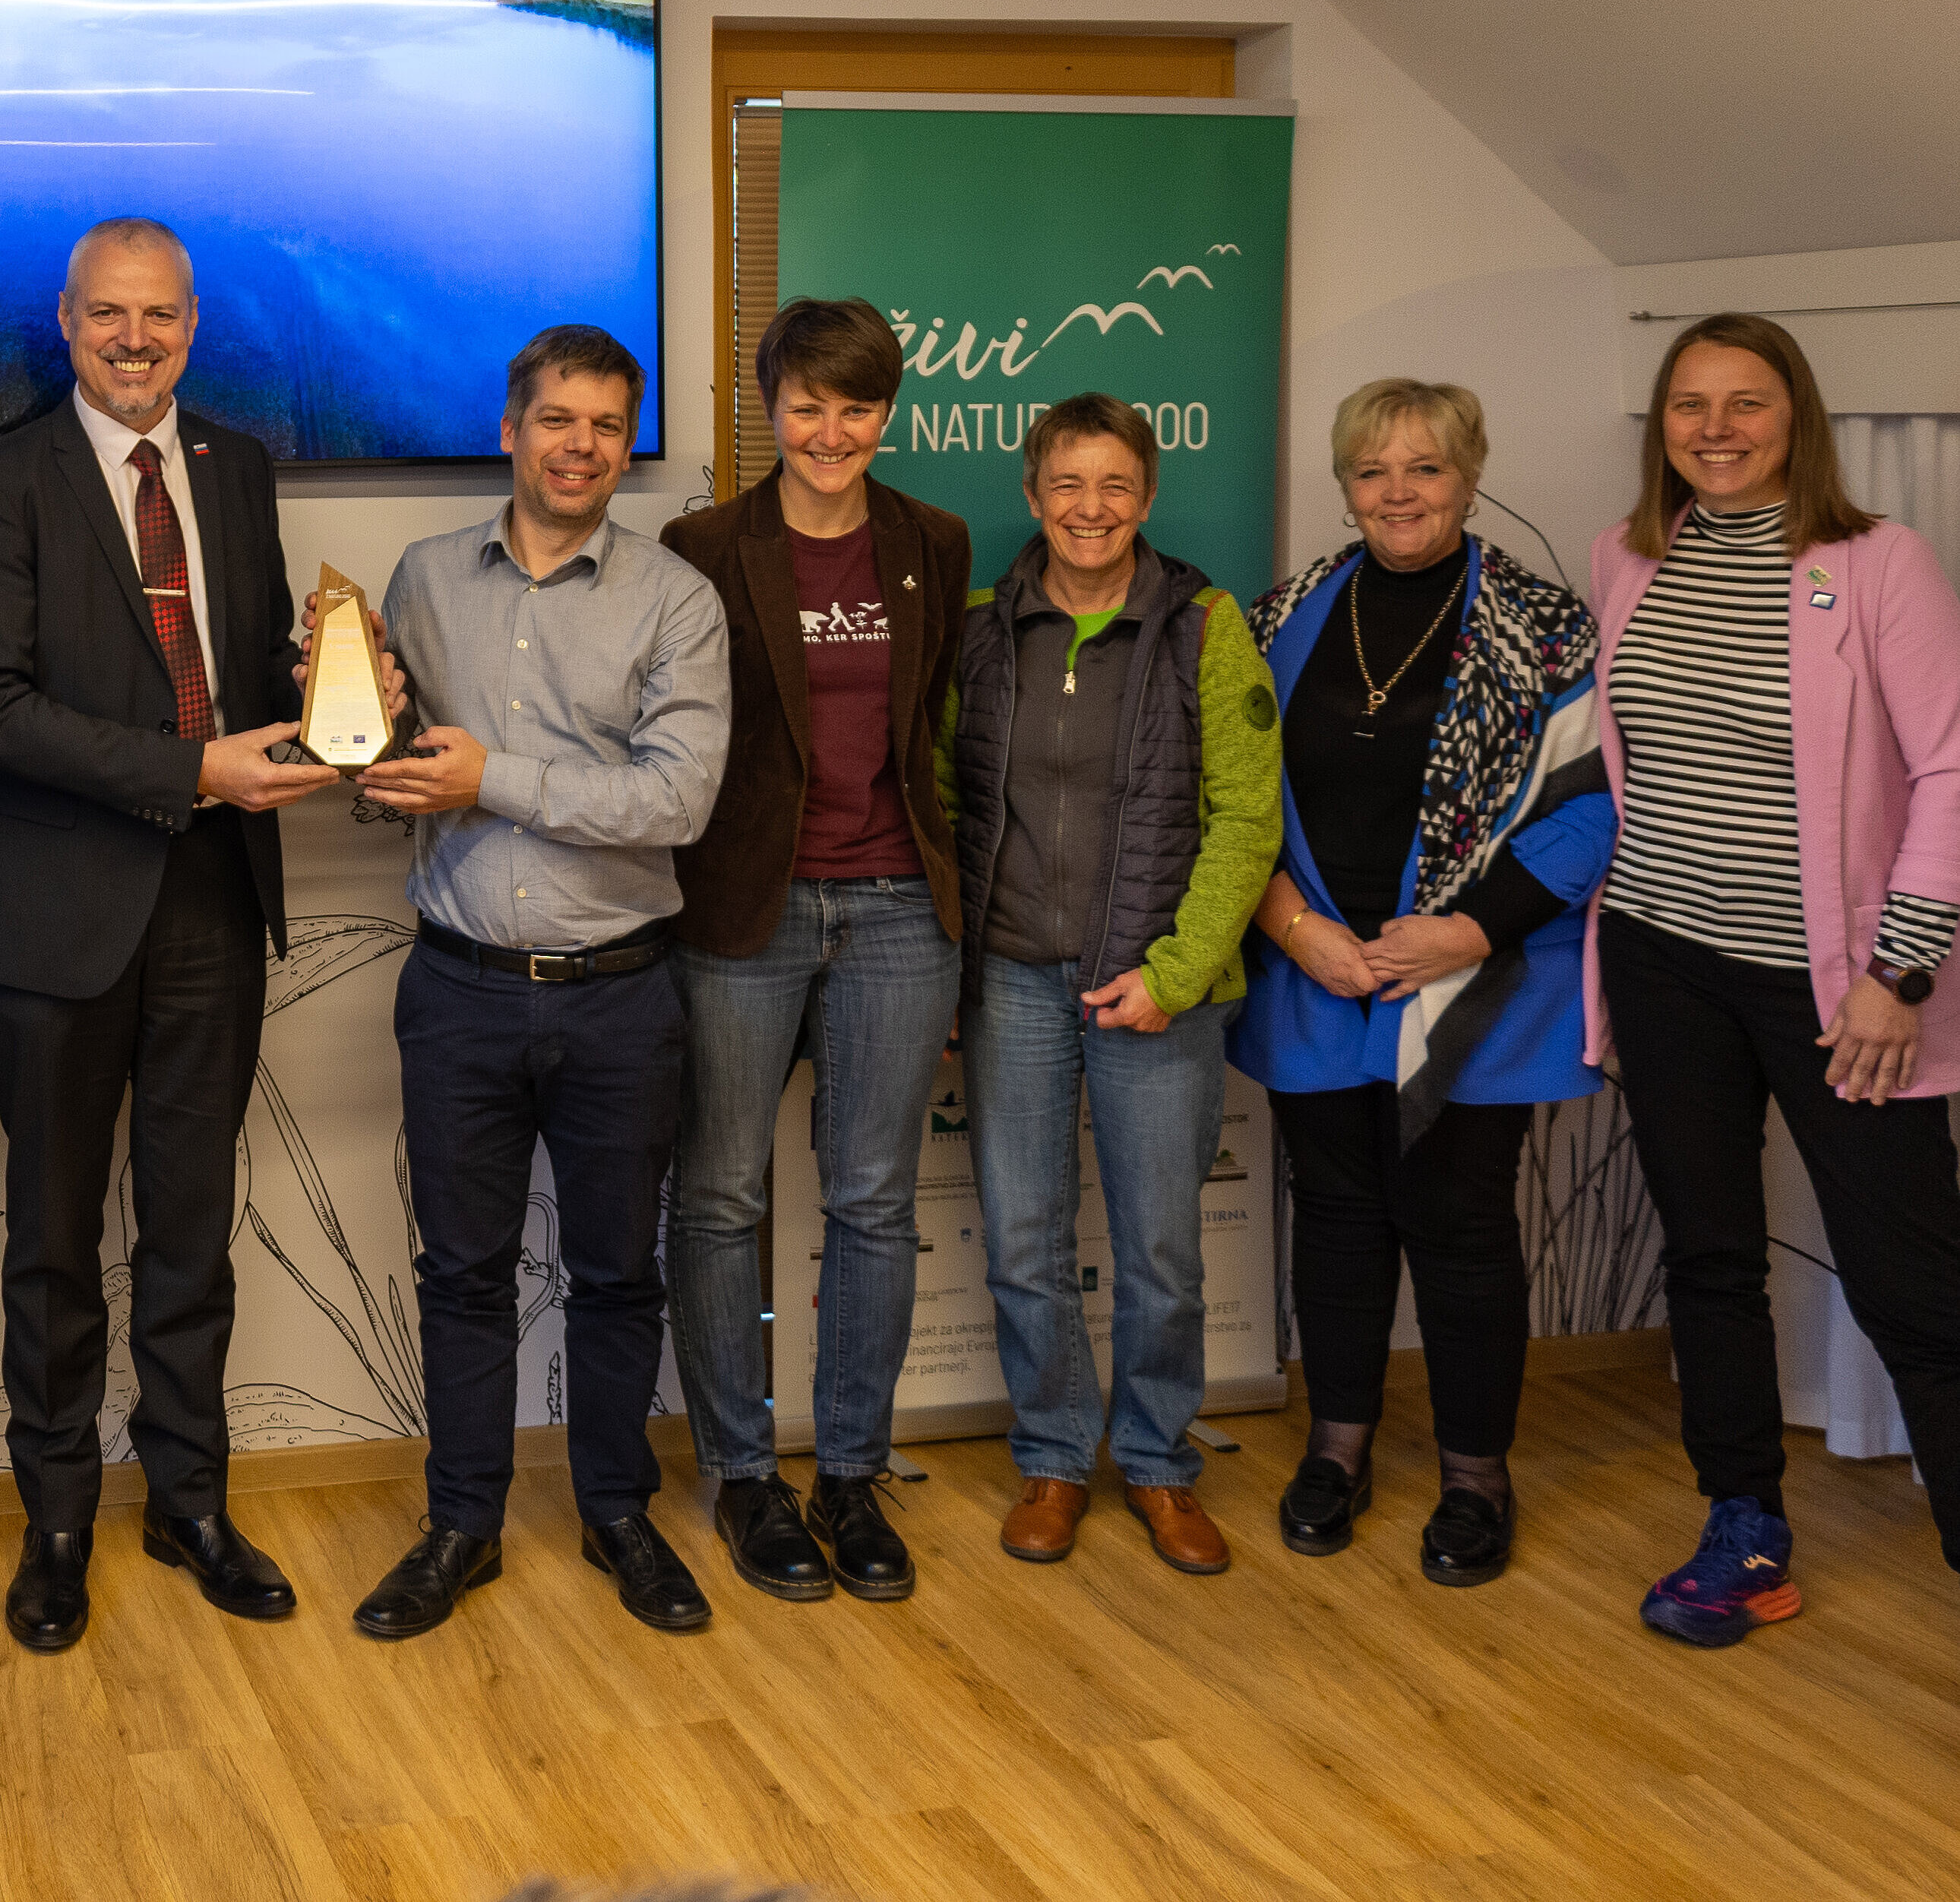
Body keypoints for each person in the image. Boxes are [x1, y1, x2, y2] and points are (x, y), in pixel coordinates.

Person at [0, 217, 337, 1651]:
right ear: (64, 319)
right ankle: (55, 1521)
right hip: (58, 916)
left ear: (193, 322)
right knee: (50, 1238)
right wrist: (194, 770)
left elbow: (252, 649)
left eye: (159, 315)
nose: (135, 339)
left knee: (189, 1227)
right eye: (109, 314)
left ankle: (188, 1497)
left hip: (216, 902)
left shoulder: (236, 467)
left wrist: (326, 678)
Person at [352, 327, 731, 1640]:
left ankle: (619, 1511)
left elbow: (676, 801)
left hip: (620, 992)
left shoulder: (676, 600)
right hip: (457, 987)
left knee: (617, 1272)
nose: (580, 447)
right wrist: (356, 736)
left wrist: (488, 777)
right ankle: (464, 1523)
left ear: (628, 445)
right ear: (510, 427)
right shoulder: (421, 578)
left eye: (606, 428)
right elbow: (384, 781)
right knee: (462, 1269)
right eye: (557, 420)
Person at [1588, 312, 1960, 1642]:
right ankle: (1744, 1526)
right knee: (1711, 1258)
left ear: (1796, 415)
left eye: (1746, 403)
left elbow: (1951, 771)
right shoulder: (1633, 557)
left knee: (1914, 1282)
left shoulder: (1875, 563)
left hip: (1839, 989)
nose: (1716, 428)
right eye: (1690, 404)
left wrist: (1897, 971)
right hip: (1663, 958)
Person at [1229, 380, 1611, 1586]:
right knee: (1337, 1217)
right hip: (1317, 969)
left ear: (1470, 474)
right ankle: (1337, 1447)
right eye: (1373, 470)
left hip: (1476, 985)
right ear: (1343, 484)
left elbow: (1591, 808)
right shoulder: (1280, 612)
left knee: (1461, 1227)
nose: (1398, 491)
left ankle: (1475, 1476)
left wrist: (1466, 932)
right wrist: (1299, 933)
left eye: (1426, 468)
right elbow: (1226, 801)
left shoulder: (1548, 625)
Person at [658, 299, 968, 1605]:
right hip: (746, 904)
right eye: (806, 403)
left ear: (885, 412)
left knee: (874, 1203)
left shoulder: (933, 544)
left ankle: (850, 1471)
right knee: (723, 1194)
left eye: (856, 405)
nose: (830, 430)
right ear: (768, 406)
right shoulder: (703, 545)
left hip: (899, 903)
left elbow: (945, 722)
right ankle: (744, 1471)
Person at [940, 394, 1279, 1575]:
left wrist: (1176, 972)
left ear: (1148, 495)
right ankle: (1051, 1453)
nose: (1092, 508)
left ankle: (1158, 1464)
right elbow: (944, 799)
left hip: (1158, 986)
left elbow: (1246, 818)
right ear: (1032, 496)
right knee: (1026, 1239)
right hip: (1015, 983)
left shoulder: (1204, 626)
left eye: (1117, 485)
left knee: (1161, 1252)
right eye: (1069, 485)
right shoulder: (980, 630)